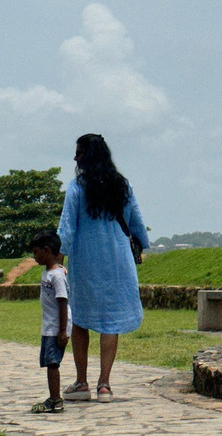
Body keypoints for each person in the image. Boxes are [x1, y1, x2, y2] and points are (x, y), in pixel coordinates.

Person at [57, 133, 149, 403]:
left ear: (87, 155)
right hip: (119, 262)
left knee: (81, 320)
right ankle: (105, 385)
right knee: (111, 322)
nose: (75, 157)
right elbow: (137, 223)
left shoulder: (76, 187)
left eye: (79, 152)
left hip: (86, 262)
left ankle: (82, 382)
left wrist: (57, 263)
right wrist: (141, 245)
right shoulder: (123, 186)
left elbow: (67, 229)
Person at [29, 229, 71, 414]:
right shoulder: (49, 272)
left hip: (56, 327)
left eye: (36, 253)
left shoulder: (57, 276)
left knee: (53, 363)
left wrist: (62, 331)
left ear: (46, 250)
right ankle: (53, 396)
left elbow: (63, 302)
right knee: (49, 362)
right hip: (49, 326)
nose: (34, 257)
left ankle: (56, 399)